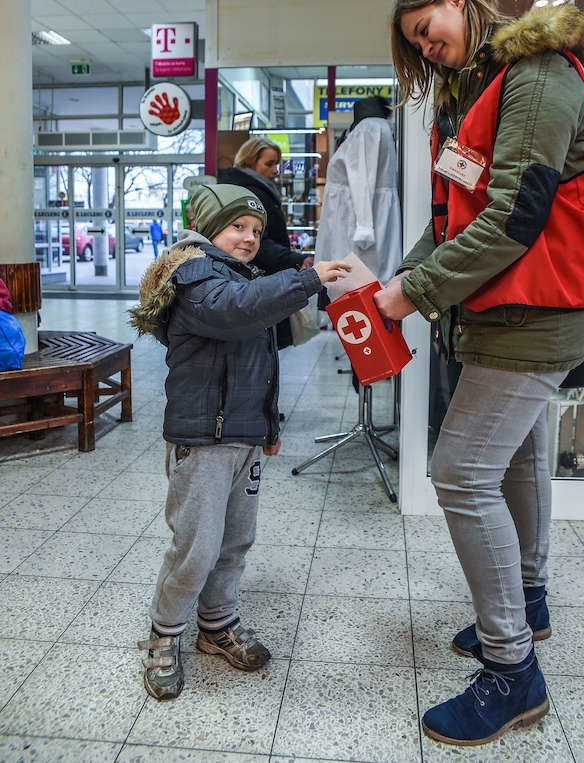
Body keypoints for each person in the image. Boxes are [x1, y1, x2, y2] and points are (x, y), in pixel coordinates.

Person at [375, 0, 584, 746]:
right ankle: (530, 600)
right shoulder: (485, 87)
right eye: (417, 46)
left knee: (459, 471)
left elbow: (516, 215)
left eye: (425, 31)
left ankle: (513, 671)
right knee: (515, 454)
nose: (429, 50)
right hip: (516, 305)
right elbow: (457, 211)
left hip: (538, 312)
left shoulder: (537, 77)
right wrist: (405, 275)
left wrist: (417, 295)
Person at [129, 183, 349, 700]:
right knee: (197, 545)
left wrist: (268, 428)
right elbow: (234, 311)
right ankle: (164, 636)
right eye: (237, 228)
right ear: (208, 230)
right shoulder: (193, 276)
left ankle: (217, 624)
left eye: (256, 230)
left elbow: (263, 365)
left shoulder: (242, 278)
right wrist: (305, 278)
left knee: (234, 540)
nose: (250, 238)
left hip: (244, 437)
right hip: (203, 440)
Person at [219, 136, 314, 349]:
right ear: (249, 161)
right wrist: (295, 259)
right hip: (255, 278)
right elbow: (256, 243)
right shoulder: (249, 193)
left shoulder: (251, 188)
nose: (276, 170)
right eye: (269, 163)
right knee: (260, 347)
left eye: (277, 164)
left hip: (254, 277)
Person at [314, 96, 402, 286]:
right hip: (357, 215)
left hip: (355, 219)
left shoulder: (369, 129)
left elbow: (363, 177)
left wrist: (364, 227)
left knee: (351, 279)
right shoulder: (374, 128)